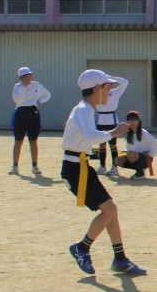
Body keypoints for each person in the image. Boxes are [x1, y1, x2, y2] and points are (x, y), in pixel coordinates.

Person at [62, 69, 146, 276]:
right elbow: (90, 137)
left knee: (111, 210)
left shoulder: (86, 109)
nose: (110, 92)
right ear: (97, 89)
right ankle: (82, 248)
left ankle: (120, 258)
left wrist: (112, 132)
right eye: (108, 87)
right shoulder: (83, 110)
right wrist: (113, 133)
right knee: (109, 210)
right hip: (75, 169)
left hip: (82, 166)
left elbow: (90, 136)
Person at [9, 67, 52, 175]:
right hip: (20, 113)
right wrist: (24, 88)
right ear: (21, 77)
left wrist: (39, 101)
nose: (29, 77)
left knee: (33, 141)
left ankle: (35, 166)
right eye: (27, 75)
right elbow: (18, 100)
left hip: (33, 112)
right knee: (18, 140)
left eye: (30, 74)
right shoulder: (17, 87)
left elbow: (48, 94)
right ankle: (15, 166)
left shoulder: (37, 85)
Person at [95, 75, 128, 177]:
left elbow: (125, 82)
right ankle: (102, 166)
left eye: (110, 82)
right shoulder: (97, 92)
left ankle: (114, 167)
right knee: (101, 144)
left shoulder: (115, 92)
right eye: (107, 82)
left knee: (112, 144)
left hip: (111, 120)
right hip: (100, 120)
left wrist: (113, 78)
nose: (109, 84)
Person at [114, 110, 157, 180]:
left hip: (146, 159)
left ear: (138, 121)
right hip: (134, 157)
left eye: (134, 120)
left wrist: (150, 154)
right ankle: (140, 169)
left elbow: (155, 143)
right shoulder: (129, 135)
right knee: (117, 160)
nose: (131, 122)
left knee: (130, 153)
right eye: (129, 120)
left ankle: (140, 173)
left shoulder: (143, 133)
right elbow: (129, 149)